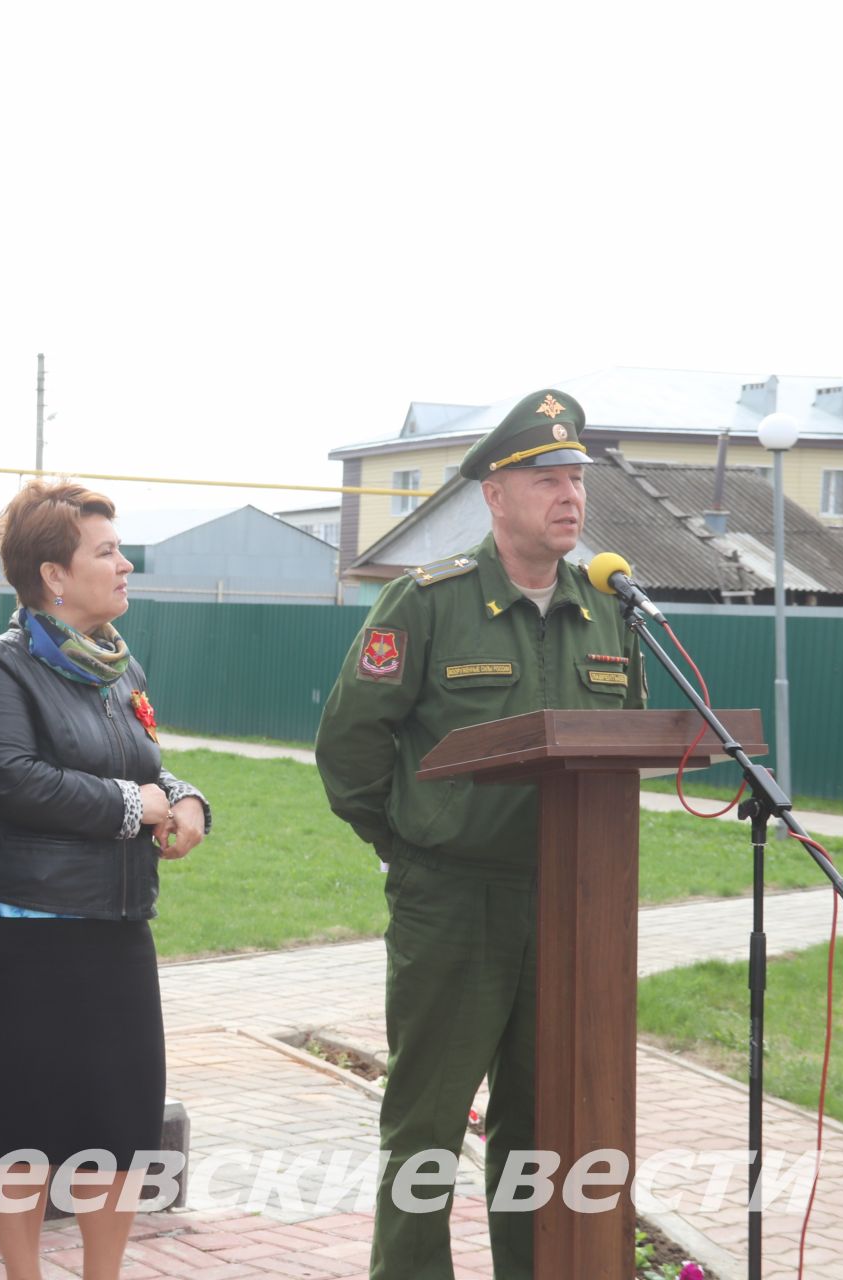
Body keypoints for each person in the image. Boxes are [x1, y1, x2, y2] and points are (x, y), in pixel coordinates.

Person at [315, 390, 646, 1279]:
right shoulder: (428, 604)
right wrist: (412, 841)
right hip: (452, 899)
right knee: (426, 1124)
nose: (569, 494)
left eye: (576, 477)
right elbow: (349, 745)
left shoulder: (612, 608)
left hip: (573, 900)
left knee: (542, 1124)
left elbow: (629, 743)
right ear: (495, 496)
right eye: (546, 478)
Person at [0, 480, 210, 1280]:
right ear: (54, 575)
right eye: (107, 552)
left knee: (116, 1126)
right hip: (17, 933)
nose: (126, 565)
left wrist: (186, 798)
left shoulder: (115, 669)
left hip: (114, 928)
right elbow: (20, 784)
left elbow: (146, 767)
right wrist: (139, 804)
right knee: (16, 1125)